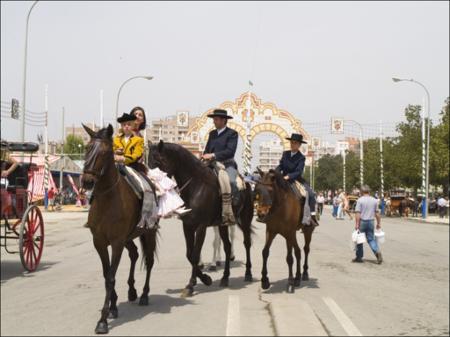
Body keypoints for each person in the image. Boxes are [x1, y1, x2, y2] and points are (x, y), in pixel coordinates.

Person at [202, 109, 239, 226]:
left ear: (224, 121)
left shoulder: (232, 133)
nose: (214, 121)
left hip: (227, 164)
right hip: (211, 164)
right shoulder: (212, 134)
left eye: (216, 119)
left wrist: (213, 155)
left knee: (232, 182)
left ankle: (232, 210)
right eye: (214, 119)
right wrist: (204, 156)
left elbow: (230, 151)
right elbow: (207, 149)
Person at [275, 133, 318, 226]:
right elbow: (281, 165)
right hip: (283, 178)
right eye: (291, 142)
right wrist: (275, 172)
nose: (292, 144)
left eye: (294, 143)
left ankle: (312, 216)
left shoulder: (301, 157)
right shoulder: (285, 153)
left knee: (310, 194)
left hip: (296, 179)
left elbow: (299, 171)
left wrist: (289, 176)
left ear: (299, 145)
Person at [353, 185, 383, 264]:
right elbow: (377, 213)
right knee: (371, 239)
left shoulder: (360, 200)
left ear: (362, 192)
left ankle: (359, 257)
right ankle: (377, 251)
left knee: (359, 239)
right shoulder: (374, 200)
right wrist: (379, 223)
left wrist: (357, 224)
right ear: (369, 191)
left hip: (362, 222)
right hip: (371, 222)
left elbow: (358, 213)